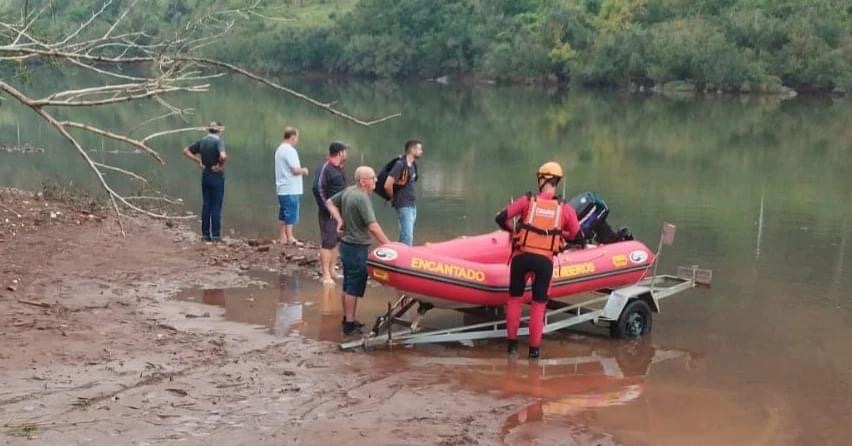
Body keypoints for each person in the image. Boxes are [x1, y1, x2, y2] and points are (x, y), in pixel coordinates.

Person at [494, 161, 581, 359]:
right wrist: (558, 233)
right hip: (544, 262)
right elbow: (576, 234)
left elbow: (501, 218)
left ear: (542, 179)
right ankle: (534, 352)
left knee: (515, 301)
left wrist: (516, 230)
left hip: (521, 258)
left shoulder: (527, 200)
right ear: (557, 181)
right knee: (538, 305)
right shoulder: (564, 208)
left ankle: (512, 348)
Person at [325, 166, 391, 336]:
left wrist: (339, 220)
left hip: (346, 245)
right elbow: (373, 226)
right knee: (353, 286)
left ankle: (348, 319)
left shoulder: (349, 191)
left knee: (348, 284)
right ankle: (349, 323)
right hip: (356, 247)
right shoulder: (361, 198)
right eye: (372, 178)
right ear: (363, 181)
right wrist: (389, 245)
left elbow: (329, 202)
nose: (376, 180)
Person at [183, 121, 227, 242]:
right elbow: (223, 156)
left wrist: (198, 161)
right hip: (216, 176)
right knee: (216, 206)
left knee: (206, 205)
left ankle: (205, 234)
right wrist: (219, 165)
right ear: (219, 130)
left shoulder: (202, 141)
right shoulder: (218, 141)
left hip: (205, 175)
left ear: (208, 130)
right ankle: (216, 235)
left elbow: (186, 151)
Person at [312, 141, 349, 284]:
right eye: (345, 151)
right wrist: (328, 209)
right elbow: (317, 189)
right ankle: (325, 274)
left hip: (340, 212)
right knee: (327, 242)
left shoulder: (339, 168)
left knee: (335, 241)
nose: (347, 154)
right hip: (328, 212)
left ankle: (333, 270)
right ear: (340, 153)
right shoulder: (325, 168)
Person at [383, 139, 422, 246]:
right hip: (403, 205)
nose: (421, 151)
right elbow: (387, 185)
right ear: (411, 150)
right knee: (407, 238)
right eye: (419, 149)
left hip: (411, 205)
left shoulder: (413, 165)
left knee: (405, 234)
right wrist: (392, 197)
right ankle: (404, 260)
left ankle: (399, 255)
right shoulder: (400, 164)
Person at [274, 127, 309, 246]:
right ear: (292, 137)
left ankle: (282, 236)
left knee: (283, 213)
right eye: (297, 138)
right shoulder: (289, 150)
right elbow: (295, 170)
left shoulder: (279, 149)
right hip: (290, 187)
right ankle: (290, 237)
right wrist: (304, 170)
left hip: (282, 187)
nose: (297, 141)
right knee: (291, 212)